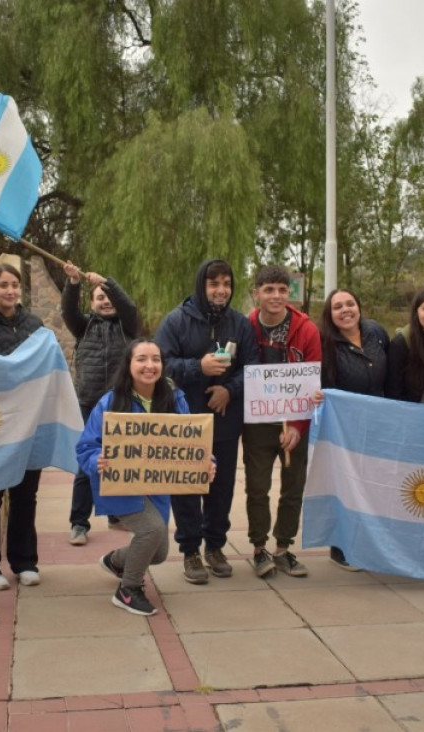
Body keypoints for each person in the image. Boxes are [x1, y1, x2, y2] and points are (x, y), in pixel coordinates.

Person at [78, 340, 215, 615]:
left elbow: (193, 443)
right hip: (119, 484)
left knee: (159, 552)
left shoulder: (175, 398)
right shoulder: (111, 401)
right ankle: (128, 590)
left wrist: (206, 463)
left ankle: (117, 561)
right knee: (151, 530)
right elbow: (85, 447)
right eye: (141, 359)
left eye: (155, 359)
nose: (149, 366)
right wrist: (96, 460)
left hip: (155, 485)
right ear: (128, 365)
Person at [155, 259, 257, 583]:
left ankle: (215, 546)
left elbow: (252, 368)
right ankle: (190, 551)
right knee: (185, 486)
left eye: (227, 284)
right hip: (186, 421)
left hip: (225, 422)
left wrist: (228, 389)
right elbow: (161, 366)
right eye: (214, 284)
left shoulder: (240, 324)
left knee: (220, 487)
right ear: (202, 286)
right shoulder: (176, 321)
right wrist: (198, 367)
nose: (221, 290)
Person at [242, 266, 322, 579]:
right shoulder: (247, 325)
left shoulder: (306, 329)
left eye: (282, 290)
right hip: (258, 422)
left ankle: (283, 549)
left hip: (293, 421)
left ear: (290, 294)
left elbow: (312, 379)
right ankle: (259, 548)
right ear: (256, 292)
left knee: (293, 488)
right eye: (269, 289)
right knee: (257, 488)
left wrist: (298, 427)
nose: (276, 296)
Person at [0, 263, 45, 590]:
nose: (10, 290)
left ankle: (25, 561)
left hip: (27, 421)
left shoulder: (35, 324)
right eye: (3, 284)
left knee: (25, 495)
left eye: (15, 284)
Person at [62, 261, 139, 546]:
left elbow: (129, 307)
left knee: (119, 460)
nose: (105, 301)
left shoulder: (127, 326)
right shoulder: (84, 327)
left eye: (108, 296)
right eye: (99, 297)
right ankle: (79, 522)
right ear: (92, 303)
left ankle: (116, 513)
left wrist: (107, 282)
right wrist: (73, 284)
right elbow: (68, 311)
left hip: (121, 402)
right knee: (87, 464)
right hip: (89, 402)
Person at [318, 287, 390, 570]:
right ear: (330, 314)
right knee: (346, 486)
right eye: (338, 307)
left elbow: (393, 372)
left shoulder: (376, 333)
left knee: (375, 485)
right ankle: (341, 547)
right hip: (344, 428)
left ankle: (371, 542)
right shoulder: (325, 343)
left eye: (350, 304)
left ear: (359, 307)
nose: (345, 310)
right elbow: (323, 384)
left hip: (381, 423)